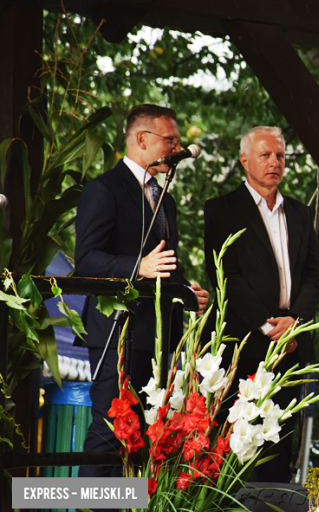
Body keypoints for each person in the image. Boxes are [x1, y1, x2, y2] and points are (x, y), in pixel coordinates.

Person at [75, 104, 209, 478]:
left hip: (156, 336)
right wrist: (137, 267)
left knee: (144, 439)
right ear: (141, 139)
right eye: (171, 140)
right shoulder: (104, 189)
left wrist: (186, 292)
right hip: (115, 332)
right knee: (110, 433)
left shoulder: (163, 196)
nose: (177, 148)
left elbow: (165, 263)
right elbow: (86, 260)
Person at [203, 126, 319, 482]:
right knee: (236, 445)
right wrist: (271, 327)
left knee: (280, 444)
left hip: (292, 343)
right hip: (244, 343)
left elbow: (315, 275)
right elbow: (225, 276)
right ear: (244, 160)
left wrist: (295, 321)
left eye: (281, 156)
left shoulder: (300, 213)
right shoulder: (222, 209)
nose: (275, 162)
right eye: (265, 155)